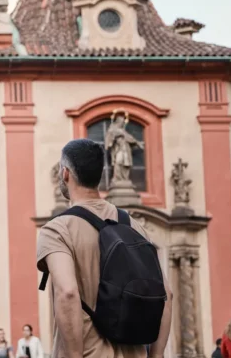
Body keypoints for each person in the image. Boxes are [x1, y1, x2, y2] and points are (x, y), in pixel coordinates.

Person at [36, 139, 173, 358]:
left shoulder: (58, 230)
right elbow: (167, 294)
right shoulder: (133, 225)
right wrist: (156, 356)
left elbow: (68, 293)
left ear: (65, 174)